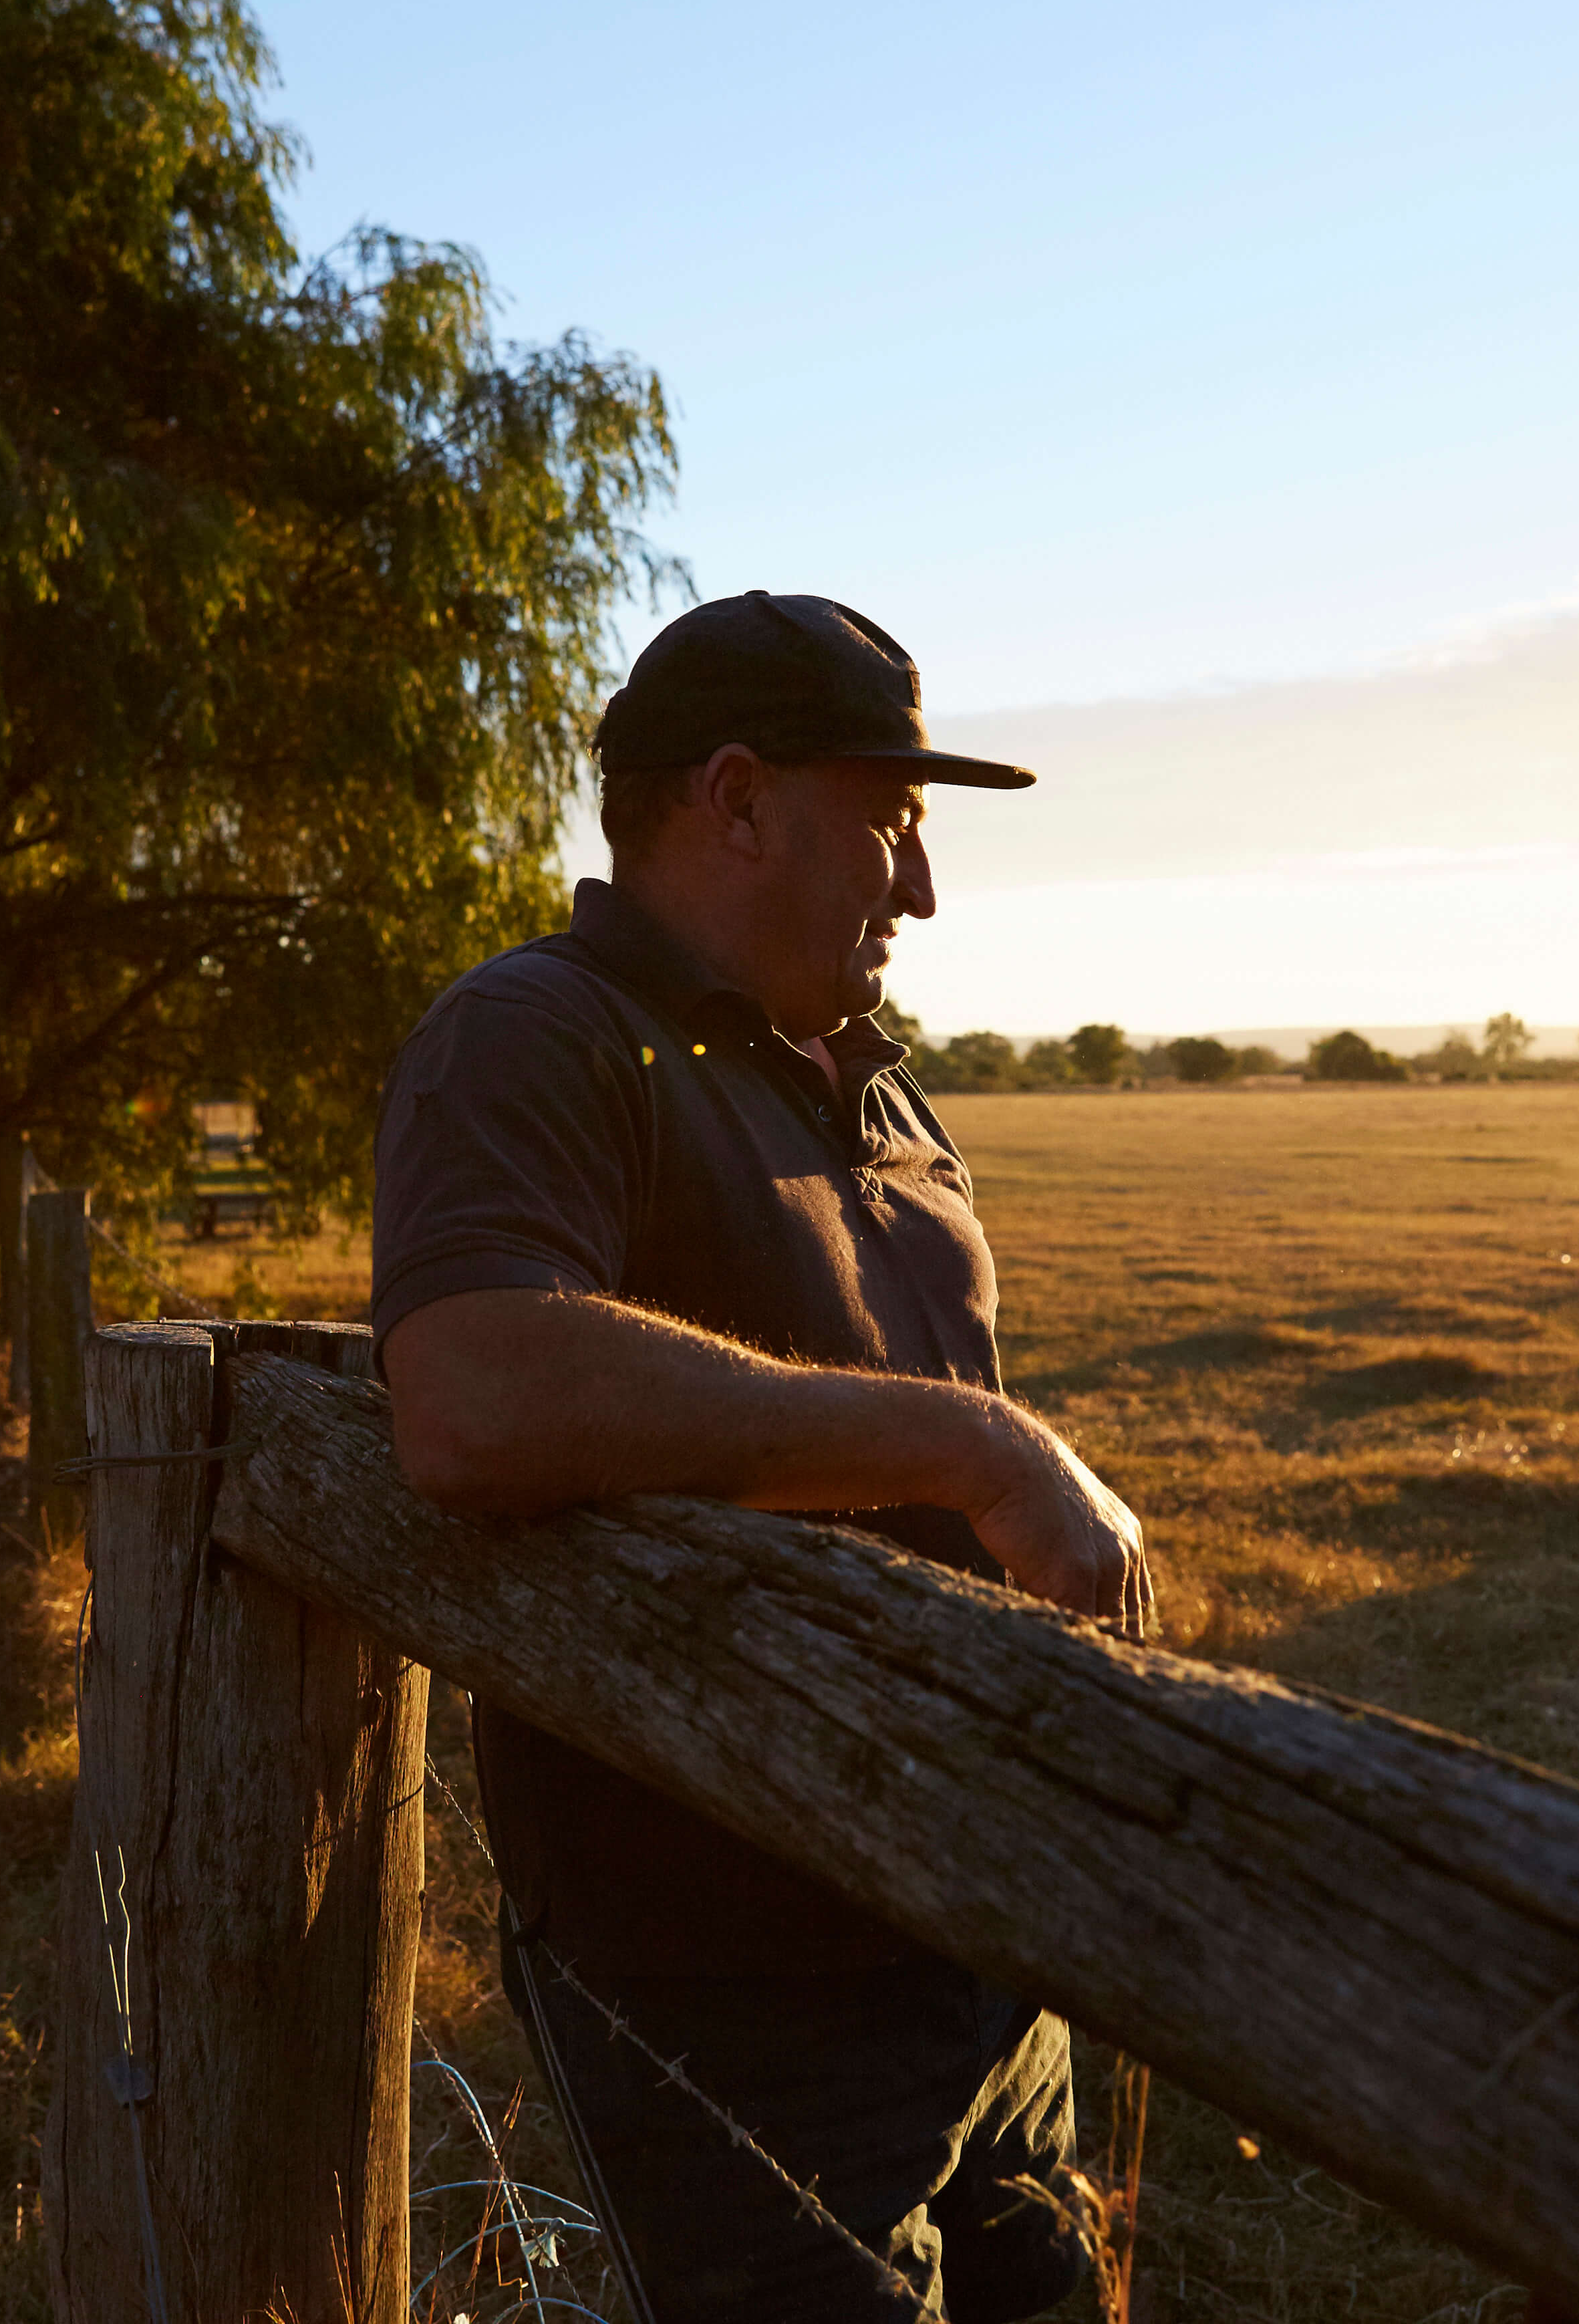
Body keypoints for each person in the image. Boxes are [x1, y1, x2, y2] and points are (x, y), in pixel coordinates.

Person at [372, 588, 1151, 2324]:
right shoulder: (537, 1034)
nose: (926, 889)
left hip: (981, 1931)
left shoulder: (886, 1094)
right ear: (734, 801)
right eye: (892, 823)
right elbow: (468, 1388)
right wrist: (967, 1441)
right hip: (736, 1974)